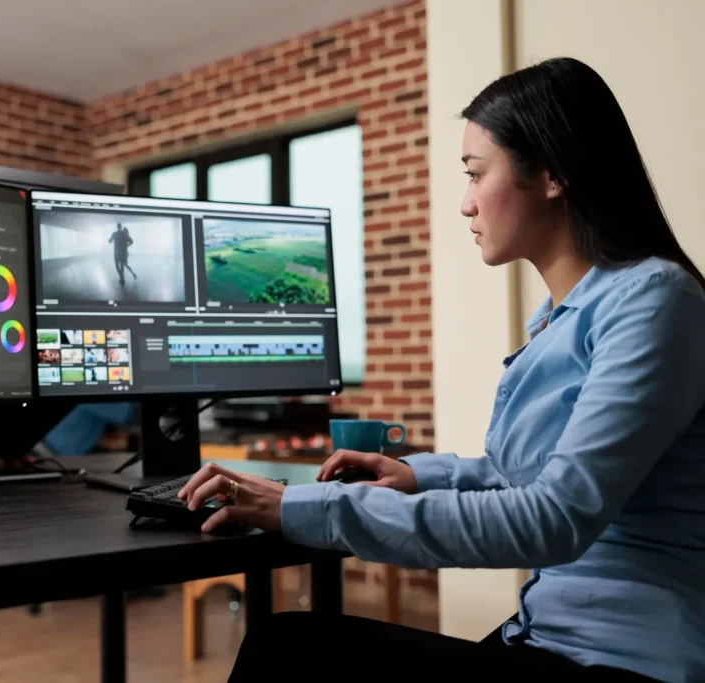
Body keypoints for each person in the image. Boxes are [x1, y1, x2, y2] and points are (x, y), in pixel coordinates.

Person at [179, 57, 705, 683]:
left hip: (623, 662)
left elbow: (552, 517)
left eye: (476, 175)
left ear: (554, 174)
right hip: (547, 632)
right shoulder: (568, 315)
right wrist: (416, 474)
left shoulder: (653, 301)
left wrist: (302, 506)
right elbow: (530, 476)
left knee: (287, 650)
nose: (465, 205)